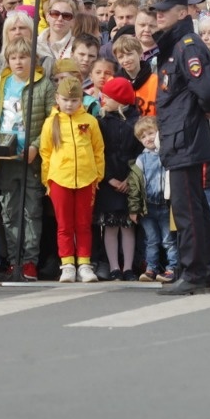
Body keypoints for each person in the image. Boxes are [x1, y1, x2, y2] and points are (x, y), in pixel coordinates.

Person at [151, 0, 210, 295]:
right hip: (180, 135)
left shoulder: (186, 45)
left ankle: (195, 272)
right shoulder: (175, 46)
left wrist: (207, 109)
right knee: (193, 207)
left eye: (165, 9)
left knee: (187, 209)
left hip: (185, 136)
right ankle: (205, 273)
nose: (158, 14)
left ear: (183, 13)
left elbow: (208, 89)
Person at [0, 38, 56, 281]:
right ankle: (14, 261)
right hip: (6, 158)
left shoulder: (44, 85)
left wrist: (35, 146)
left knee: (31, 211)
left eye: (23, 57)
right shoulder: (3, 83)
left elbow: (52, 121)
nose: (18, 62)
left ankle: (30, 261)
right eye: (14, 58)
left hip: (31, 158)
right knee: (9, 211)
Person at [39, 76, 104, 283]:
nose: (69, 104)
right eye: (65, 100)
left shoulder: (90, 121)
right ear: (57, 98)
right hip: (59, 179)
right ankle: (67, 263)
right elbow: (45, 152)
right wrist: (47, 181)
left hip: (86, 179)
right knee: (64, 225)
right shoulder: (50, 123)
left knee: (84, 223)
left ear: (81, 101)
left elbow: (98, 150)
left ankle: (84, 263)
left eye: (74, 100)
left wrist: (97, 176)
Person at [95, 77, 143, 281]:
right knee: (110, 225)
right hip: (109, 181)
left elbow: (141, 153)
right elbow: (98, 153)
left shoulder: (136, 122)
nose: (103, 99)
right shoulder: (101, 122)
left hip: (128, 179)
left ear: (120, 99)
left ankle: (128, 267)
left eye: (108, 96)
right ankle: (114, 266)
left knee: (128, 225)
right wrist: (109, 178)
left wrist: (129, 179)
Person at [132, 117, 177, 283]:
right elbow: (135, 186)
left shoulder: (167, 155)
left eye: (151, 133)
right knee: (151, 240)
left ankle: (172, 267)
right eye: (143, 137)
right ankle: (151, 268)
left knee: (169, 240)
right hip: (148, 207)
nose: (148, 138)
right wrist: (134, 208)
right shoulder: (141, 159)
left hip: (165, 205)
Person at [112, 35, 158, 117]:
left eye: (129, 54)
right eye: (121, 57)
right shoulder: (113, 83)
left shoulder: (156, 80)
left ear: (140, 53)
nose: (126, 60)